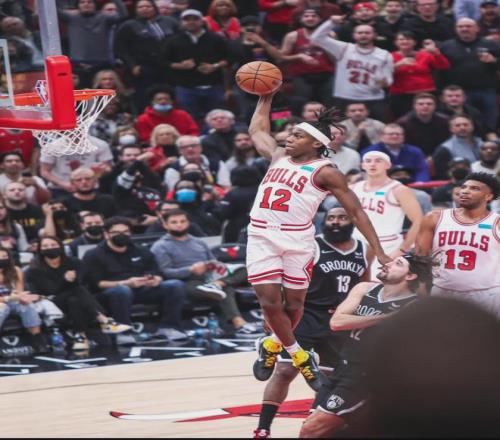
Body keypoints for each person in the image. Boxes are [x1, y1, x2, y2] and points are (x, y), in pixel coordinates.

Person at [247, 91, 391, 391]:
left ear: (316, 144)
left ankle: (271, 344)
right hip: (262, 234)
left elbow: (356, 212)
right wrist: (265, 96)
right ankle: (301, 356)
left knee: (295, 305)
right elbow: (257, 130)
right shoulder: (278, 156)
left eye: (297, 135)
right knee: (270, 303)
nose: (289, 138)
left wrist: (378, 250)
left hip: (298, 238)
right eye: (290, 133)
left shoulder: (326, 172)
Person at [253, 207, 373, 439]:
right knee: (285, 371)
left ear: (351, 222)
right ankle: (263, 429)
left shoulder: (364, 249)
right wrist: (272, 314)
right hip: (306, 315)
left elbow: (364, 286)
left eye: (342, 217)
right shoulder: (312, 246)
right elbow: (284, 279)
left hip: (337, 321)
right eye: (331, 218)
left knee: (329, 380)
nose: (335, 222)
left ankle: (314, 427)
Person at [299, 253, 432, 438]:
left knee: (310, 430)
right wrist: (386, 318)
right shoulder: (364, 289)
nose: (388, 264)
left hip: (365, 378)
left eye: (398, 263)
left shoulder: (413, 306)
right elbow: (337, 322)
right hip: (341, 369)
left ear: (410, 276)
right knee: (320, 432)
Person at [150, 209, 262, 336]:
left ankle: (218, 284)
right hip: (185, 282)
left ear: (188, 222)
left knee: (246, 269)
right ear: (165, 225)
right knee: (225, 289)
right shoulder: (160, 246)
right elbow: (165, 272)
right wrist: (189, 270)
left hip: (209, 277)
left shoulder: (198, 242)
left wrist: (212, 266)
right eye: (174, 222)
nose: (179, 225)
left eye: (182, 221)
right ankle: (239, 323)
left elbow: (214, 262)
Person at [81, 216, 187, 342]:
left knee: (175, 285)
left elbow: (156, 272)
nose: (122, 235)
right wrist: (125, 283)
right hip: (108, 294)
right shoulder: (93, 254)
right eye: (116, 232)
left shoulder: (141, 250)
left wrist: (155, 279)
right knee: (122, 290)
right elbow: (96, 284)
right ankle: (123, 333)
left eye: (125, 232)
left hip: (141, 289)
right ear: (106, 234)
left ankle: (169, 327)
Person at [25, 236, 131, 351]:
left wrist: (72, 280)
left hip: (77, 298)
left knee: (74, 300)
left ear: (60, 246)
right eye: (45, 246)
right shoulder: (34, 269)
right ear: (40, 250)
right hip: (51, 301)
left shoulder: (74, 262)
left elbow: (81, 281)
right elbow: (51, 290)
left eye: (53, 245)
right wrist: (66, 281)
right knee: (76, 290)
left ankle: (80, 336)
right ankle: (103, 320)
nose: (50, 248)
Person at [416, 172, 500, 314]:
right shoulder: (434, 218)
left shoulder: (496, 222)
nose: (465, 191)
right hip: (443, 290)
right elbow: (420, 256)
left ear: (488, 196)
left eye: (475, 188)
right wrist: (421, 285)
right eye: (464, 187)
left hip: (486, 293)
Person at [350, 151, 423, 278]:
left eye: (378, 161)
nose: (373, 164)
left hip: (387, 245)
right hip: (357, 244)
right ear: (362, 165)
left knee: (378, 284)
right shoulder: (353, 188)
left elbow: (419, 221)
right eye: (368, 161)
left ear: (388, 165)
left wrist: (402, 249)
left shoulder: (399, 189)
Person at [310, 21, 394, 122]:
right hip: (344, 97)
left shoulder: (384, 55)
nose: (363, 35)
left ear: (375, 35)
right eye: (360, 33)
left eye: (367, 33)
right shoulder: (344, 48)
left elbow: (389, 79)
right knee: (340, 129)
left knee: (377, 128)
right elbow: (316, 38)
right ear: (353, 35)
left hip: (373, 98)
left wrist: (383, 82)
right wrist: (331, 22)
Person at [161, 8, 229, 123]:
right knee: (189, 120)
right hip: (186, 88)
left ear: (201, 21)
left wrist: (214, 66)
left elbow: (229, 59)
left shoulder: (216, 38)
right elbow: (163, 62)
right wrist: (180, 65)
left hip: (213, 86)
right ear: (181, 22)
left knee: (217, 119)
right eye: (187, 20)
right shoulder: (172, 40)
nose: (191, 22)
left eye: (195, 19)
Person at [114, 0, 179, 112]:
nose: (144, 9)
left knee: (168, 94)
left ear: (154, 8)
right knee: (143, 97)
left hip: (168, 66)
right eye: (141, 7)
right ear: (136, 10)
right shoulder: (129, 25)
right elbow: (121, 49)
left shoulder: (170, 21)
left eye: (148, 6)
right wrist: (132, 65)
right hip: (144, 67)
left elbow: (180, 41)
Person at [440, 18, 500, 133]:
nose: (464, 29)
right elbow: (439, 69)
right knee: (464, 122)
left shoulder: (491, 44)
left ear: (477, 28)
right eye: (461, 27)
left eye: (468, 26)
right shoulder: (446, 46)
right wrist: (441, 89)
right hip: (459, 92)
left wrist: (494, 60)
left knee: (490, 120)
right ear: (456, 29)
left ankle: (490, 141)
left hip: (486, 90)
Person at [56, 0, 128, 86]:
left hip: (101, 65)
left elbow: (123, 14)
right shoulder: (71, 17)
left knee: (102, 93)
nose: (86, 4)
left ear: (95, 5)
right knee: (81, 92)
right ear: (78, 5)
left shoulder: (105, 17)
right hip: (77, 65)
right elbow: (54, 10)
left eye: (89, 2)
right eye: (82, 2)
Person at [279, 8, 335, 113]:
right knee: (302, 106)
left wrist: (326, 44)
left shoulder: (330, 34)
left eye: (314, 16)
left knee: (330, 108)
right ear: (301, 19)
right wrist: (299, 56)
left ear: (320, 19)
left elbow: (335, 59)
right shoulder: (292, 36)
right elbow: (281, 58)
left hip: (326, 75)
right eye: (306, 16)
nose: (310, 18)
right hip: (302, 77)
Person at [389, 31, 450, 118]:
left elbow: (443, 66)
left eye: (408, 39)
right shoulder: (389, 56)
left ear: (415, 42)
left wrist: (436, 53)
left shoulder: (425, 55)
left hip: (426, 93)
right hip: (401, 95)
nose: (405, 41)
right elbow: (382, 73)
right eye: (401, 39)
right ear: (395, 42)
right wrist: (398, 65)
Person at [0, 247, 48, 354]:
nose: (2, 259)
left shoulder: (15, 270)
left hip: (13, 300)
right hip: (2, 302)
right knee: (2, 308)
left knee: (26, 306)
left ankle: (37, 340)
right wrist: (8, 298)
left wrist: (23, 298)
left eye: (4, 256)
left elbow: (19, 292)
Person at [40, 135, 113, 198]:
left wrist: (101, 171)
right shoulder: (52, 146)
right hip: (60, 189)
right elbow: (44, 171)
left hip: (90, 188)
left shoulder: (100, 144)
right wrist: (63, 184)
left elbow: (108, 167)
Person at [361, 123, 430, 182]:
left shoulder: (415, 151)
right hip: (382, 187)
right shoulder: (371, 152)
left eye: (398, 134)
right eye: (391, 134)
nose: (395, 136)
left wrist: (420, 183)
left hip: (412, 186)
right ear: (381, 136)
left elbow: (422, 170)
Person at [135, 86, 199, 144]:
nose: (163, 102)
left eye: (166, 99)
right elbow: (145, 137)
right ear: (152, 102)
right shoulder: (143, 119)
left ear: (172, 101)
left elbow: (194, 132)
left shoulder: (183, 115)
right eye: (159, 99)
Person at [164, 135, 231, 190]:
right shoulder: (173, 169)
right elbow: (173, 190)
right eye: (184, 147)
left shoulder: (217, 164)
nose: (190, 149)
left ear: (201, 147)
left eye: (193, 146)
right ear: (179, 151)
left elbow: (226, 187)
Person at [396, 92, 450, 157]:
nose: (425, 106)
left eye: (429, 104)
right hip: (412, 156)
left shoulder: (444, 121)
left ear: (435, 106)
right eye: (421, 104)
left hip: (439, 156)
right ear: (414, 106)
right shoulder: (403, 123)